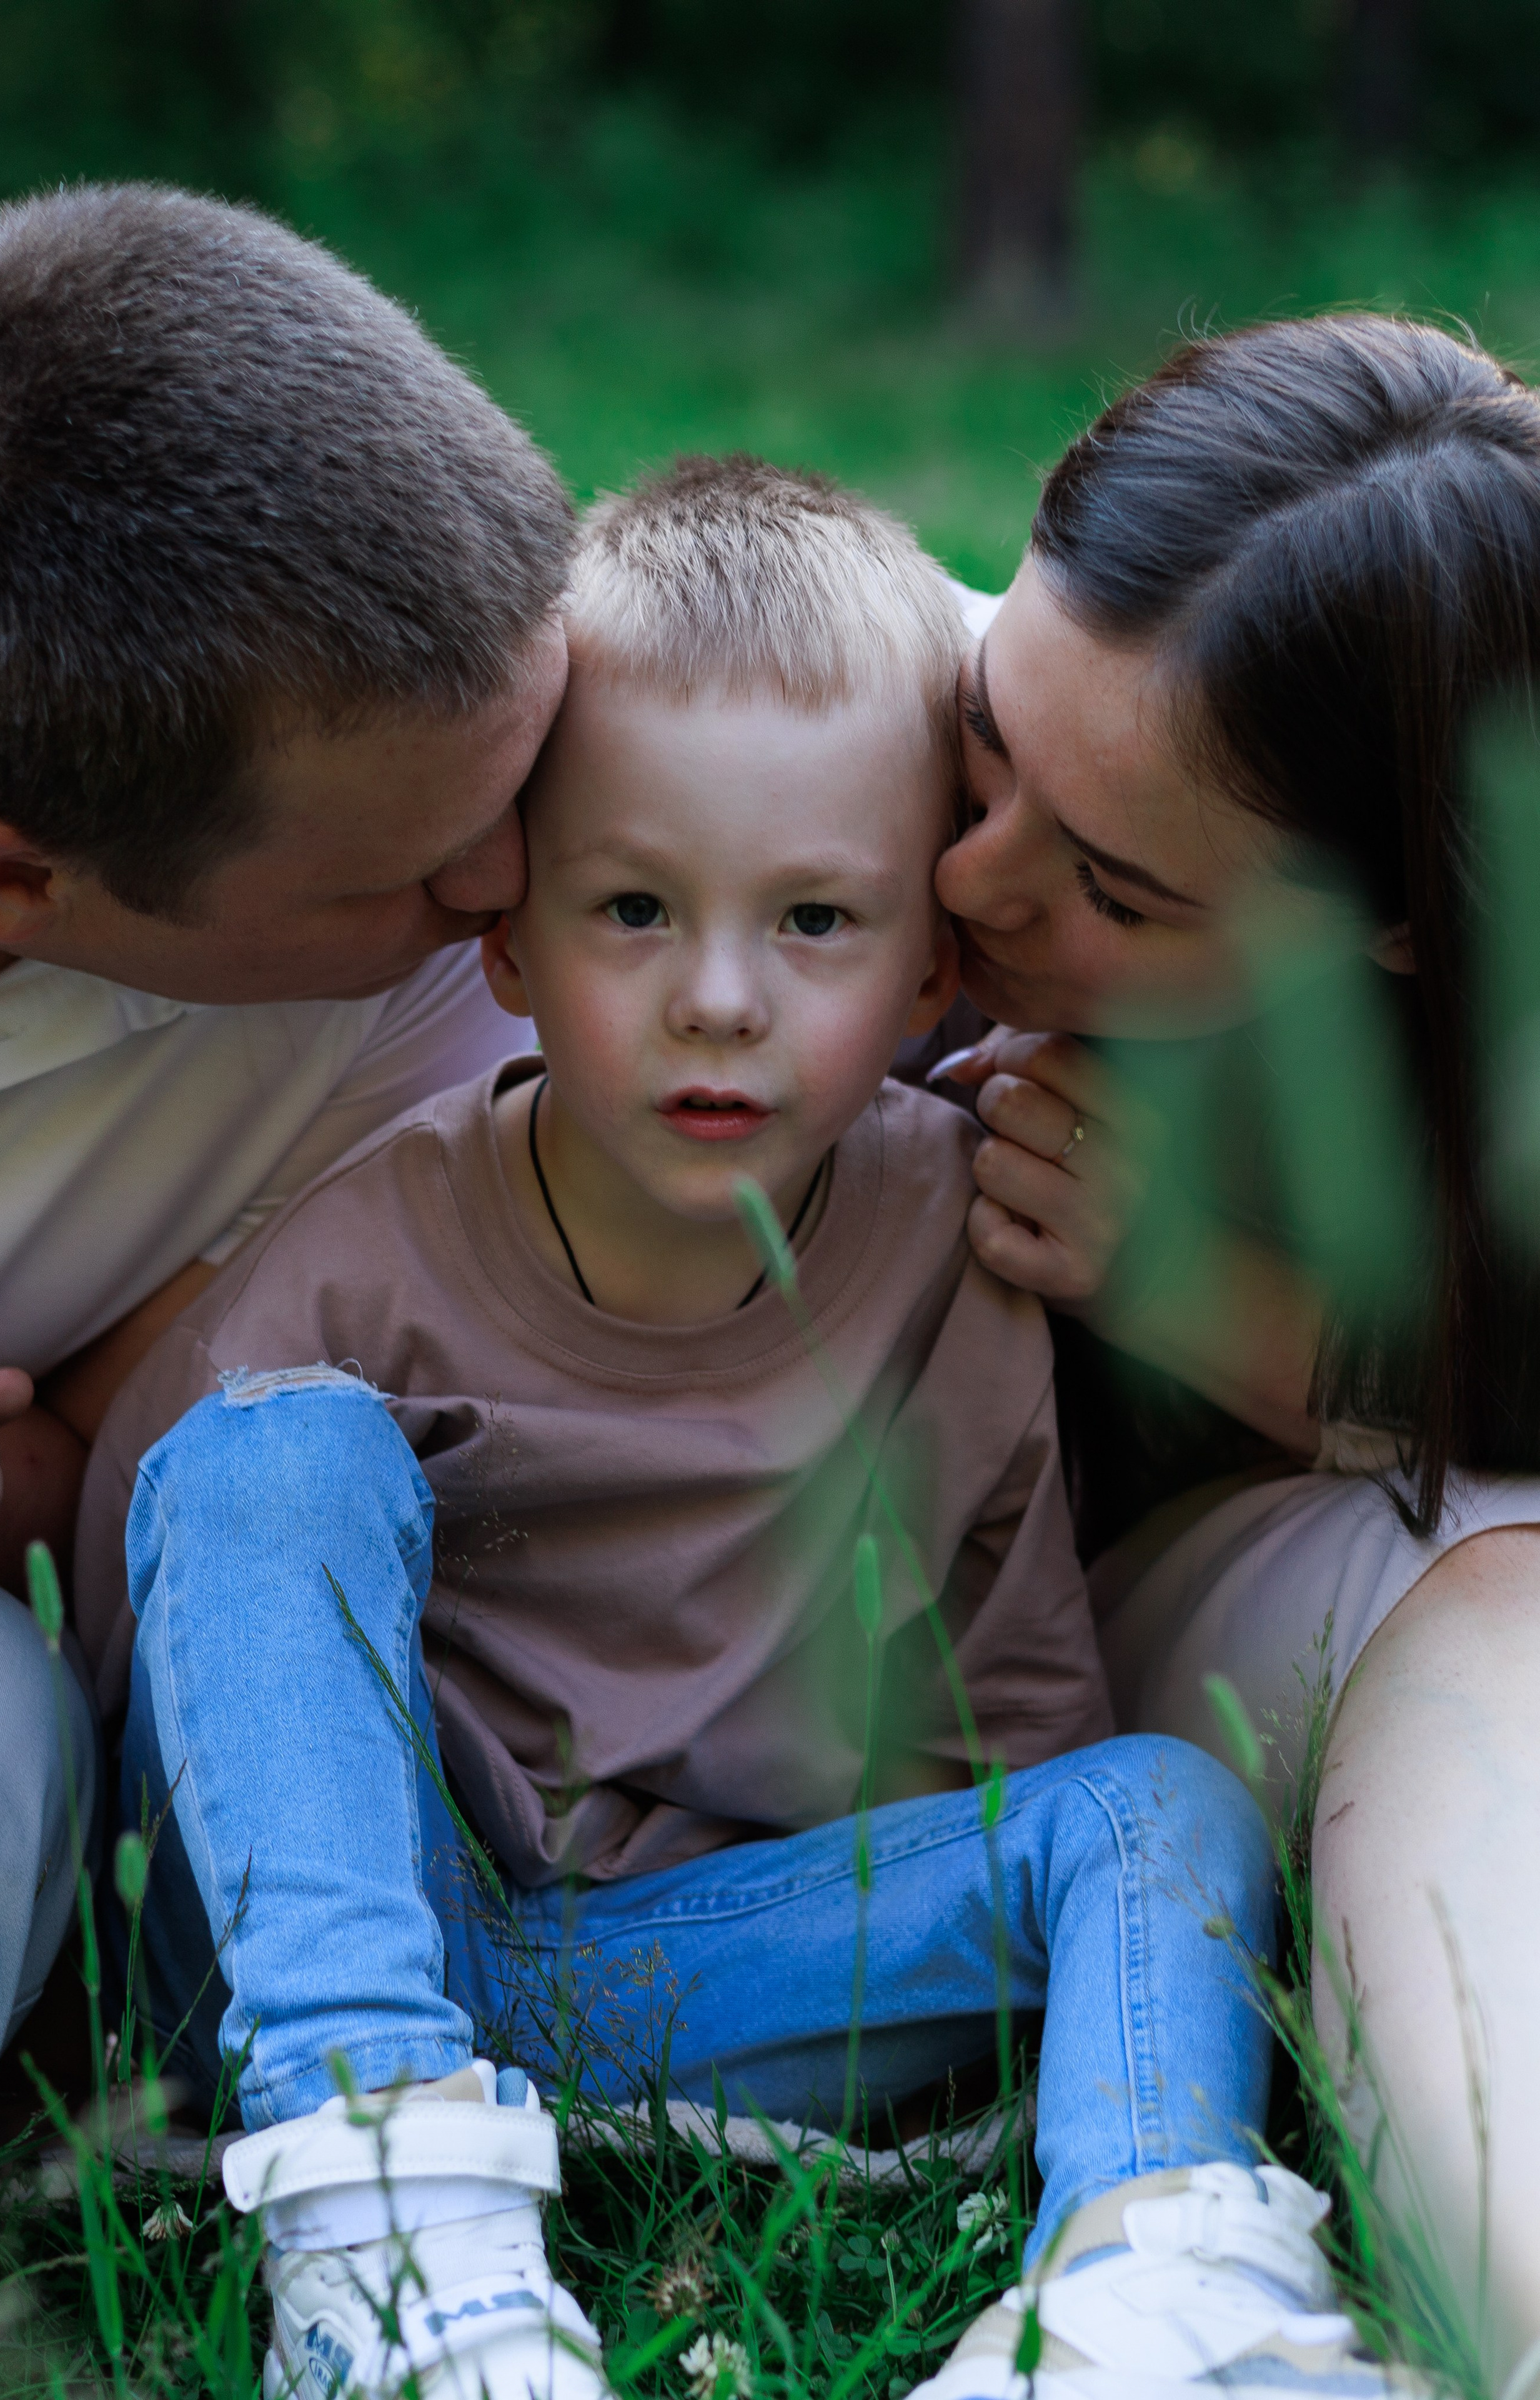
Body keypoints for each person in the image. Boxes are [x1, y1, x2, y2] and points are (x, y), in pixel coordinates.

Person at [75, 457, 1391, 2400]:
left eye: (813, 921)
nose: (716, 999)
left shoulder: (962, 1232)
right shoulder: (371, 1244)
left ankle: (1151, 2280)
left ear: (932, 964)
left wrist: (986, 1949)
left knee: (1155, 1797)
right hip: (335, 1949)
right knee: (274, 1454)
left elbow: (1000, 1678)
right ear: (505, 942)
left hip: (680, 1964)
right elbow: (186, 1645)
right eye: (631, 908)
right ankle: (395, 2250)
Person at [0, 181, 572, 2186]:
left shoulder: (406, 910)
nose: (512, 890)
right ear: (15, 882)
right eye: (412, 870)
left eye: (527, 784)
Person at [932, 315, 1540, 2391]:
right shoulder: (817, 711)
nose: (961, 872)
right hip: (1062, 1678)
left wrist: (1247, 1320)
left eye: (1107, 885)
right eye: (988, 732)